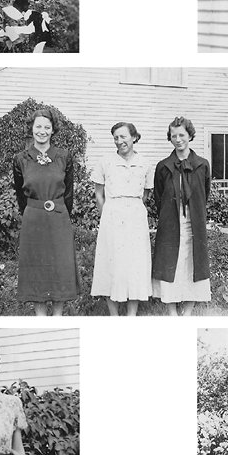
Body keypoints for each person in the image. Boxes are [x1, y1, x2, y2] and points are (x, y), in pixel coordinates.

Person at [12, 108, 81, 316]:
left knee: (60, 266)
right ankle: (40, 315)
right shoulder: (21, 159)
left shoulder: (64, 157)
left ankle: (58, 315)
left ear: (53, 130)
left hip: (59, 217)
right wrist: (33, 211)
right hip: (33, 218)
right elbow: (20, 194)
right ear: (31, 129)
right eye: (38, 126)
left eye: (47, 127)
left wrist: (60, 212)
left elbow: (68, 192)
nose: (42, 131)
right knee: (37, 268)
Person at [90, 122, 154, 316]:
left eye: (123, 137)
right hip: (112, 215)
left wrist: (130, 208)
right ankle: (114, 315)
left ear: (134, 137)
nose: (120, 141)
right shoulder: (105, 162)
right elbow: (99, 194)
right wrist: (109, 213)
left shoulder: (145, 163)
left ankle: (131, 314)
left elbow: (146, 195)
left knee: (135, 263)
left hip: (135, 215)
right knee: (112, 262)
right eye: (116, 138)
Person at [151, 116, 211, 316]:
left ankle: (187, 312)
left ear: (190, 136)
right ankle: (172, 312)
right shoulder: (163, 166)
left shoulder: (202, 165)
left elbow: (204, 193)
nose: (178, 139)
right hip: (171, 223)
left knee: (191, 265)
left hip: (193, 225)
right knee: (172, 265)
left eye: (182, 135)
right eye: (173, 135)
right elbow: (159, 197)